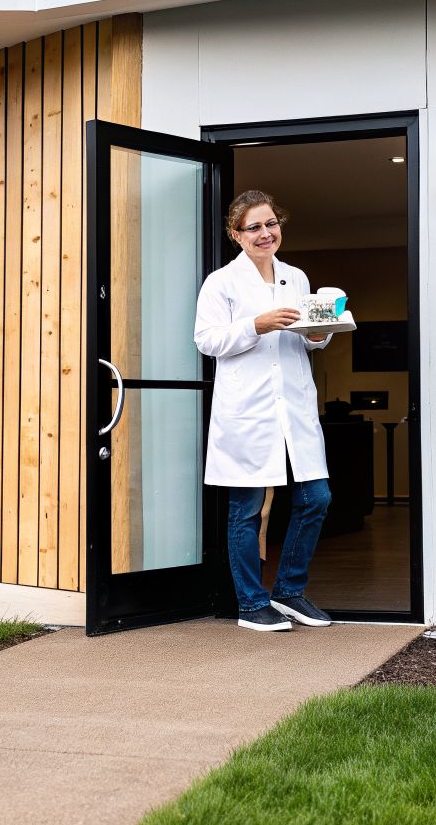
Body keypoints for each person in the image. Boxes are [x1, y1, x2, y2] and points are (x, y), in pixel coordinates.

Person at [194, 190, 335, 632]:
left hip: (293, 406)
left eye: (271, 223)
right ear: (236, 234)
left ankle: (289, 591)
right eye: (253, 227)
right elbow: (207, 340)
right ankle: (252, 603)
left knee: (316, 498)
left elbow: (310, 336)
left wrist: (318, 336)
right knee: (247, 509)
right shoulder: (222, 283)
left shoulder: (296, 276)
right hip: (248, 411)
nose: (265, 233)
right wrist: (255, 326)